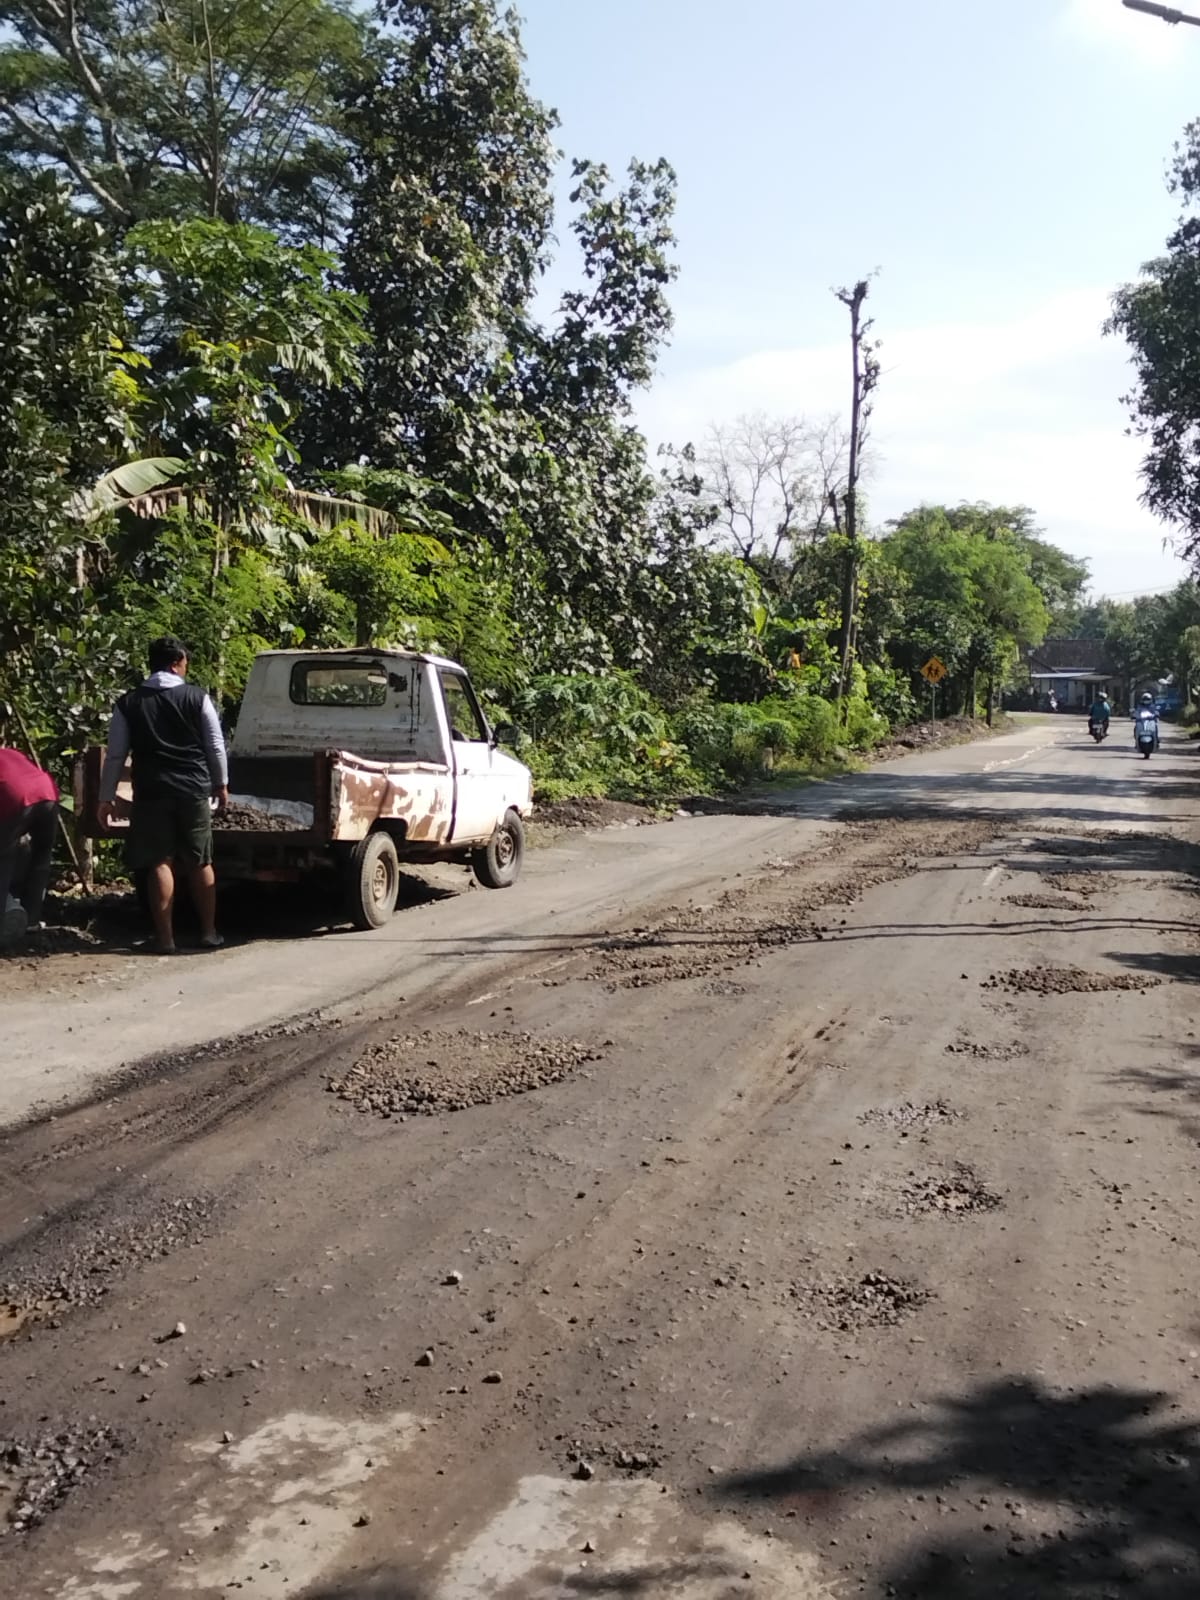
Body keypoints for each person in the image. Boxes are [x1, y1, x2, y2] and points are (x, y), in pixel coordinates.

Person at [100, 636, 228, 954]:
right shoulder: (198, 698)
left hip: (152, 791)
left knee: (160, 861)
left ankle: (166, 939)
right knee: (200, 860)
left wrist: (106, 796)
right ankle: (209, 933)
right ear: (176, 662)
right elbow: (215, 745)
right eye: (185, 662)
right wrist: (221, 783)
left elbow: (116, 755)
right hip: (193, 789)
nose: (187, 668)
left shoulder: (128, 703)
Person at [0, 747, 59, 943]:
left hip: (15, 796)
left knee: (3, 859)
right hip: (47, 792)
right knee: (42, 853)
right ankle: (32, 920)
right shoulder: (9, 753)